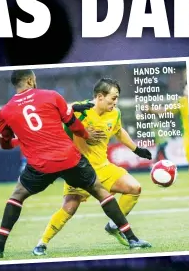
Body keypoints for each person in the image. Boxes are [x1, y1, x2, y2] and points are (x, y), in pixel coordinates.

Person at [0, 70, 151, 258]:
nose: (115, 102)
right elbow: (71, 119)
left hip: (42, 163)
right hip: (69, 158)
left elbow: (5, 144)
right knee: (89, 197)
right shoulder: (52, 96)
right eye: (113, 98)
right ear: (32, 80)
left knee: (16, 196)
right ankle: (130, 238)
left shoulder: (5, 111)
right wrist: (86, 134)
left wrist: (22, 140)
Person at [33, 78, 152, 255]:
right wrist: (72, 112)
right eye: (113, 98)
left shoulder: (115, 113)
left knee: (134, 188)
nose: (115, 102)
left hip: (103, 167)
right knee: (69, 208)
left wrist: (137, 149)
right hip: (79, 169)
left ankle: (114, 226)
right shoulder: (80, 109)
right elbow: (54, 115)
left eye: (117, 98)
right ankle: (42, 243)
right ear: (99, 97)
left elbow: (119, 131)